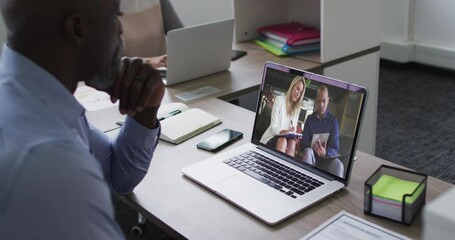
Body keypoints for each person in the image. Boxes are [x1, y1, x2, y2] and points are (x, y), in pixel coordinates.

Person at [0, 0, 165, 239]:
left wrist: (145, 110)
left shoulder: (32, 96)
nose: (120, 29)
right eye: (114, 17)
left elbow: (116, 178)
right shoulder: (50, 162)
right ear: (77, 28)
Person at [120, 0, 183, 68]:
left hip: (164, 73)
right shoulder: (108, 7)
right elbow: (110, 65)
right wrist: (148, 62)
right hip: (129, 76)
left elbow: (182, 37)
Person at [300, 85, 344, 177]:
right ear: (316, 101)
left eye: (324, 101)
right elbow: (303, 143)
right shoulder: (309, 119)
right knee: (307, 151)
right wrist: (313, 146)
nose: (321, 104)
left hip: (326, 159)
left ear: (328, 100)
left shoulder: (333, 121)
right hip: (311, 155)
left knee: (339, 165)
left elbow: (335, 148)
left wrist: (325, 152)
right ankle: (305, 182)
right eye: (319, 101)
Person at [260, 76, 306, 156]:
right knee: (283, 140)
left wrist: (294, 136)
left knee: (292, 143)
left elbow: (293, 130)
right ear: (292, 86)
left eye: (301, 92)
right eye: (297, 89)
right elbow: (273, 128)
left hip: (285, 140)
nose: (298, 93)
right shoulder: (279, 100)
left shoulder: (296, 110)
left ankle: (284, 168)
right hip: (271, 137)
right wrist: (286, 132)